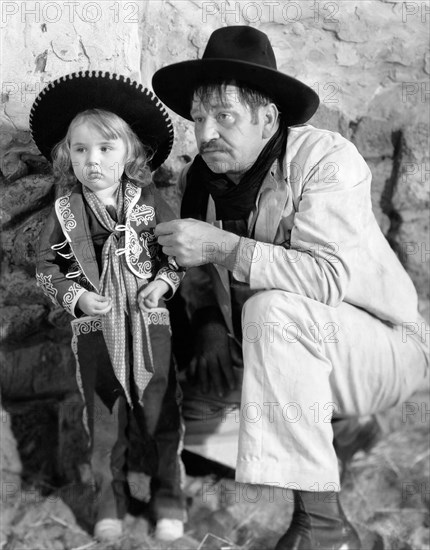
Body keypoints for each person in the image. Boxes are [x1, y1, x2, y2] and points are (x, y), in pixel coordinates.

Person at [152, 26, 429, 549]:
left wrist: (222, 248)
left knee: (273, 311)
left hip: (382, 347)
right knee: (185, 417)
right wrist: (209, 322)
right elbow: (194, 267)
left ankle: (323, 524)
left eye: (225, 116)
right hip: (277, 351)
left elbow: (323, 278)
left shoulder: (327, 160)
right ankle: (342, 432)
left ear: (268, 117)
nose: (207, 132)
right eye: (198, 118)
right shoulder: (200, 180)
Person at [31, 71, 186, 543]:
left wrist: (161, 284)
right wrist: (77, 297)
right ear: (67, 156)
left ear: (132, 153)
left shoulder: (149, 202)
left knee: (161, 415)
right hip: (95, 331)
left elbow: (177, 253)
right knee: (104, 421)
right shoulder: (65, 213)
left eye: (105, 149)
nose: (92, 160)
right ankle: (108, 501)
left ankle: (167, 499)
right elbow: (44, 268)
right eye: (80, 150)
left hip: (149, 325)